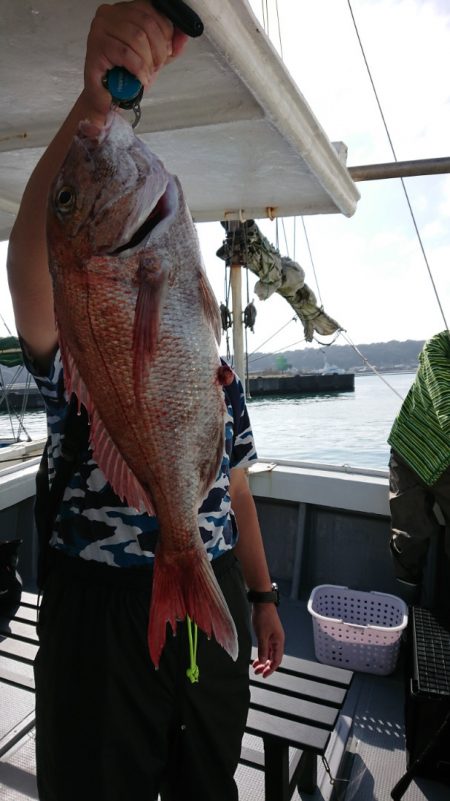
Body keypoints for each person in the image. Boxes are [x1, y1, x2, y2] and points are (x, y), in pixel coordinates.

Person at [6, 3, 285, 800]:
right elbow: (35, 260)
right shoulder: (78, 334)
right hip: (98, 612)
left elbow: (234, 489)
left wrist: (261, 595)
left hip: (214, 577)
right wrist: (96, 103)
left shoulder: (214, 372)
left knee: (207, 782)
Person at [388, 330, 450, 617]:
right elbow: (445, 402)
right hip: (412, 450)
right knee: (409, 537)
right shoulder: (438, 346)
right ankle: (409, 613)